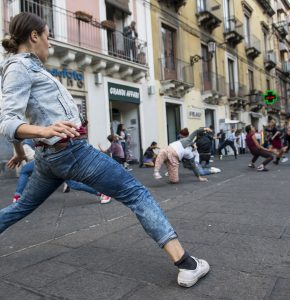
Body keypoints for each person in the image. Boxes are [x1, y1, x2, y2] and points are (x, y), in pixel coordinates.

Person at [0, 12, 209, 288]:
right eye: (48, 37)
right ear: (34, 36)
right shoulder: (20, 68)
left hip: (50, 157)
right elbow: (7, 120)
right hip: (70, 152)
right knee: (136, 193)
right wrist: (43, 131)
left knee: (23, 206)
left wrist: (18, 150)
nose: (50, 44)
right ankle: (186, 265)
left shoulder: (30, 67)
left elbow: (16, 119)